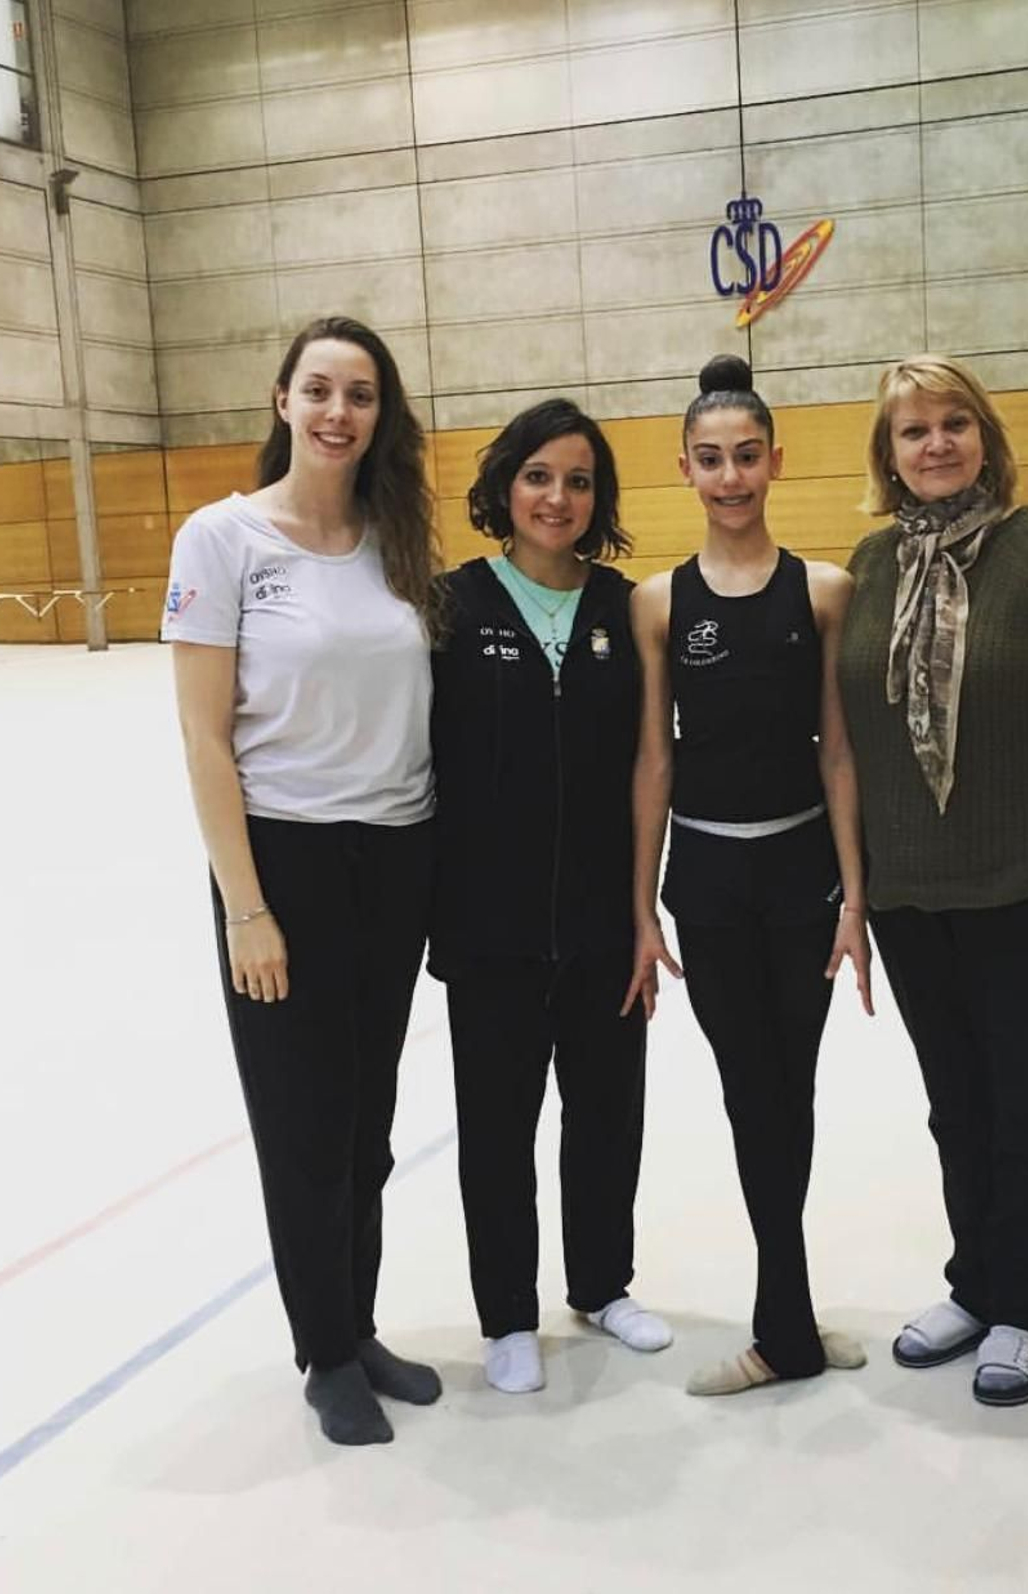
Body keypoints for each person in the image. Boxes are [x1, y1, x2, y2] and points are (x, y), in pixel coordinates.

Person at [837, 355, 1028, 1407]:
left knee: (1022, 1102)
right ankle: (973, 1283)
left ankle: (1021, 1306)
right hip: (912, 893)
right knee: (954, 1105)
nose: (934, 444)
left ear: (984, 435)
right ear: (887, 453)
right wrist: (854, 886)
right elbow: (847, 738)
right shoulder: (868, 567)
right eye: (912, 430)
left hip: (1023, 885)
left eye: (952, 423)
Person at [164, 315, 443, 1446]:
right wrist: (247, 906)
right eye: (318, 389)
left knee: (367, 1123)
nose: (339, 412)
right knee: (301, 1124)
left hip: (397, 857)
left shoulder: (398, 536)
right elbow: (203, 739)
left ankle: (358, 1320)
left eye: (361, 394)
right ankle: (323, 1349)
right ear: (281, 400)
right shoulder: (223, 540)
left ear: (383, 413)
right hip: (282, 861)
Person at [625, 354, 873, 1397]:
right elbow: (655, 759)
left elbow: (839, 751)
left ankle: (787, 1323)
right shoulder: (656, 602)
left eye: (745, 458)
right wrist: (640, 908)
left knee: (793, 1090)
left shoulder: (824, 590)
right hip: (712, 883)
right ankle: (789, 1324)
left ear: (775, 459)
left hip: (803, 873)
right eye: (710, 461)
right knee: (751, 1093)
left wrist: (855, 897)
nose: (730, 477)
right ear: (684, 468)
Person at [429, 398, 671, 1395]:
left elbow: (650, 761)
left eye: (577, 480)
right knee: (496, 1122)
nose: (557, 497)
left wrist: (643, 912)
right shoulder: (451, 607)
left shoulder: (629, 609)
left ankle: (602, 1284)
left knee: (607, 1111)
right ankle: (505, 1314)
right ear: (504, 488)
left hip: (603, 921)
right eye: (538, 477)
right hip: (488, 928)